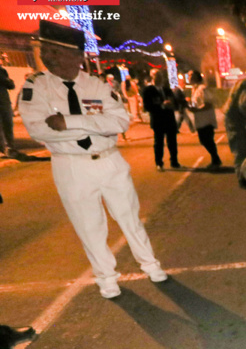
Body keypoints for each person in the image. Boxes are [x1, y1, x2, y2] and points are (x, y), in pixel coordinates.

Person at [18, 21, 168, 299]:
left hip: (110, 161)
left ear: (77, 56)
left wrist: (68, 122)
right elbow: (38, 129)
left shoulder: (97, 85)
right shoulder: (36, 86)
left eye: (55, 51)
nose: (47, 56)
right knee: (89, 226)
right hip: (70, 165)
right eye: (45, 50)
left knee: (130, 218)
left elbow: (120, 122)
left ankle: (150, 265)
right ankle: (106, 278)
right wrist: (95, 125)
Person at [141, 69, 181, 171]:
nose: (159, 77)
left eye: (160, 75)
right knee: (159, 142)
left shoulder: (167, 90)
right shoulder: (148, 90)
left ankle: (174, 161)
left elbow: (175, 103)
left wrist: (172, 104)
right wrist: (162, 105)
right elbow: (147, 106)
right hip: (158, 119)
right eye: (156, 75)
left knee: (172, 141)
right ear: (151, 77)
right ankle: (159, 162)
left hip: (169, 118)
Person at [187, 70, 221, 170]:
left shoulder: (203, 89)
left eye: (191, 75)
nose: (189, 77)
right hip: (200, 120)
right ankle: (215, 159)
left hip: (207, 120)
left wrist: (197, 110)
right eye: (188, 75)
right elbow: (197, 103)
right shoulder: (194, 89)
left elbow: (208, 104)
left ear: (197, 77)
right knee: (204, 140)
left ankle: (216, 160)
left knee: (207, 140)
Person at [0, 60, 16, 157]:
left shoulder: (2, 71)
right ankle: (3, 149)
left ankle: (10, 147)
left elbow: (11, 85)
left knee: (8, 125)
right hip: (4, 101)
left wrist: (8, 81)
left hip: (4, 101)